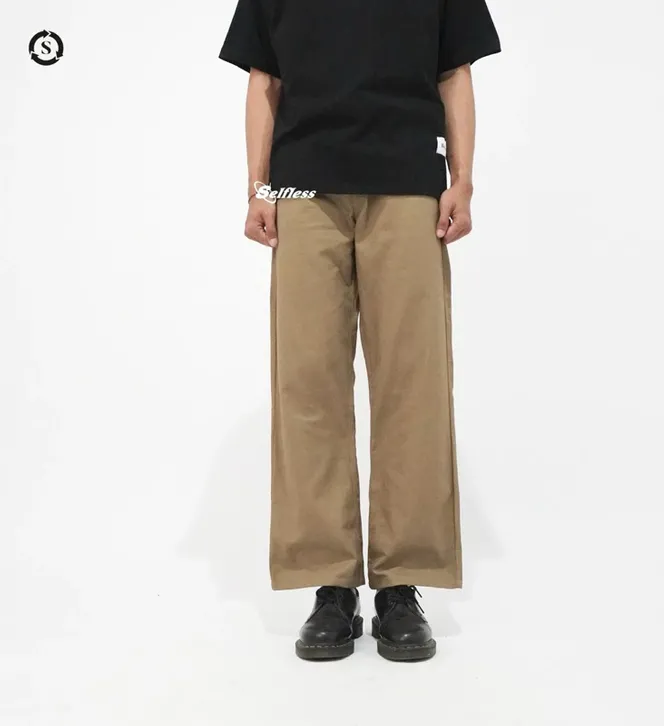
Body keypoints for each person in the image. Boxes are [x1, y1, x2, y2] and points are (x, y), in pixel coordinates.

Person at [219, 0, 500, 661]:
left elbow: (454, 71)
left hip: (407, 186)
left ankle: (402, 582)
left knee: (413, 385)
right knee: (307, 385)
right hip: (301, 190)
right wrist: (258, 186)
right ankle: (331, 583)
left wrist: (463, 179)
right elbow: (264, 79)